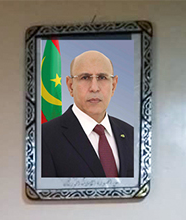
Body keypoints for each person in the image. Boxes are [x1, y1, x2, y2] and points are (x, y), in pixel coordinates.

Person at [40, 50, 135, 178]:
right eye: (85, 77)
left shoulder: (132, 135)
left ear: (113, 85)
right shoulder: (44, 138)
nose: (94, 88)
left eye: (102, 77)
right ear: (70, 86)